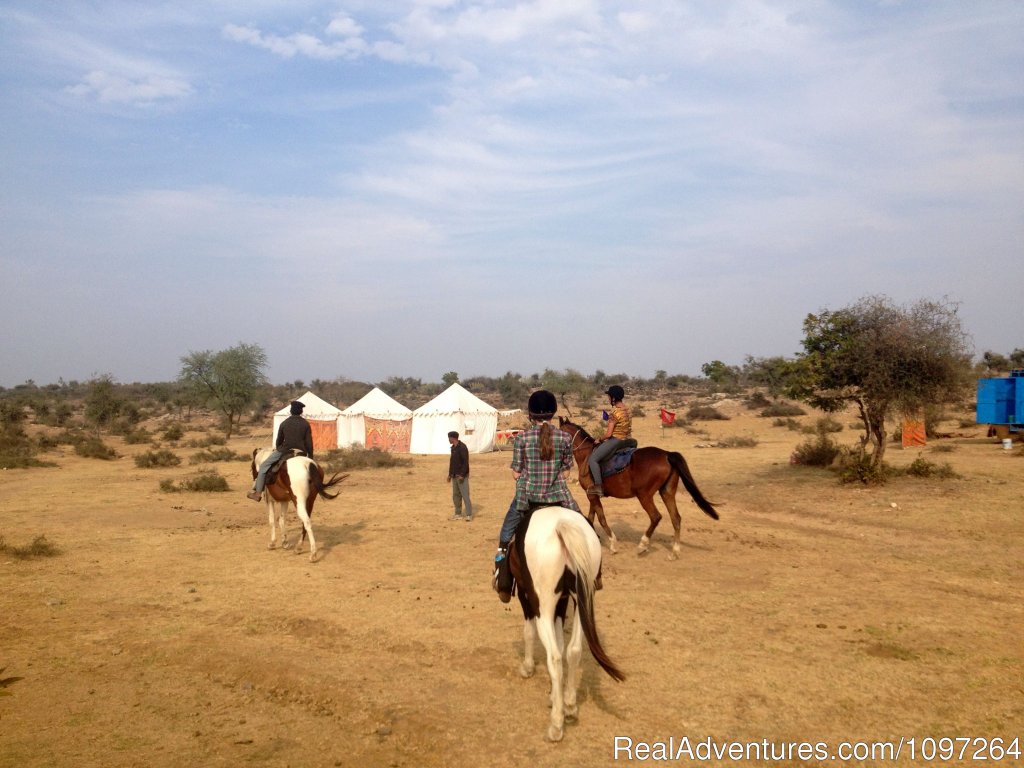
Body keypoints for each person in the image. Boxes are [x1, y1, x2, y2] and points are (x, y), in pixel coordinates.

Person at [493, 390, 581, 602]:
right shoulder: (565, 437)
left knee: (505, 537)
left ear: (531, 414)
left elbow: (516, 473)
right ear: (553, 412)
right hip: (559, 496)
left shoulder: (522, 438)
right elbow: (567, 471)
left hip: (527, 499)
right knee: (586, 528)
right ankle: (595, 575)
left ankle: (504, 583)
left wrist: (527, 476)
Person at [247, 400, 314, 501]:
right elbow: (309, 443)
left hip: (285, 450)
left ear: (291, 411)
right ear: (301, 412)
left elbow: (279, 441)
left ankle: (258, 493)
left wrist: (279, 449)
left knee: (264, 465)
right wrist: (311, 457)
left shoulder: (284, 423)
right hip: (301, 452)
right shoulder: (306, 424)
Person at [587, 385, 632, 497]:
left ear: (613, 398)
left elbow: (608, 434)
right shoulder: (627, 409)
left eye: (609, 396)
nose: (608, 398)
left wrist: (599, 439)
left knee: (593, 459)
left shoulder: (615, 413)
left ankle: (598, 487)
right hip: (628, 440)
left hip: (616, 441)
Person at [447, 431, 473, 521]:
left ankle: (469, 514)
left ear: (453, 438)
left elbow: (465, 462)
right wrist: (450, 474)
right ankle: (458, 513)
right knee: (456, 495)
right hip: (454, 475)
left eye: (449, 438)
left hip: (461, 476)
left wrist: (462, 474)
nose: (448, 440)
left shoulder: (462, 447)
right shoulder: (453, 448)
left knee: (465, 495)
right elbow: (452, 462)